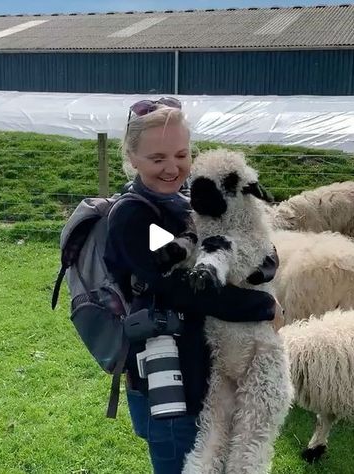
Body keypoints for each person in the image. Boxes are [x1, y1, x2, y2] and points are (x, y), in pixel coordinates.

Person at [103, 97, 281, 474]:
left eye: (181, 154)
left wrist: (261, 266)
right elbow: (186, 290)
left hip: (212, 370)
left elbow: (253, 239)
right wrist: (265, 308)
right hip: (169, 381)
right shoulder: (134, 218)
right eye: (157, 159)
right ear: (132, 157)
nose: (172, 168)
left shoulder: (189, 199)